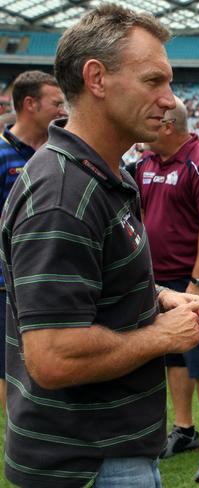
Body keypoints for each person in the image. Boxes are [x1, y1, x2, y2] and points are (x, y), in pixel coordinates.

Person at [0, 5, 199, 488]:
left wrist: (160, 296)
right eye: (154, 81)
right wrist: (162, 334)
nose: (169, 99)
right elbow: (52, 356)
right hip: (84, 464)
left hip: (113, 449)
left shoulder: (107, 173)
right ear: (96, 78)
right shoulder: (62, 194)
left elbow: (93, 286)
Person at [135, 95, 199, 482]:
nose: (145, 125)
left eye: (153, 119)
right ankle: (185, 431)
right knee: (172, 358)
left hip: (194, 282)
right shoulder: (144, 163)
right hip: (158, 284)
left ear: (168, 125)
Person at [0, 70, 66, 413]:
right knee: (10, 368)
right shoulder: (1, 154)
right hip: (7, 287)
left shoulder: (54, 153)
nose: (62, 110)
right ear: (30, 104)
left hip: (51, 282)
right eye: (56, 103)